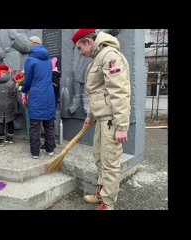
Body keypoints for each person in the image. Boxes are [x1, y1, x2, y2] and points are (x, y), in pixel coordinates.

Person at [72, 29, 131, 210]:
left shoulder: (109, 56)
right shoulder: (97, 59)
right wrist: (90, 116)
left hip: (111, 121)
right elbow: (96, 92)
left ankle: (108, 203)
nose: (80, 52)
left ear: (89, 42)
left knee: (110, 162)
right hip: (101, 119)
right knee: (100, 158)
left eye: (80, 47)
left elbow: (120, 92)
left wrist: (122, 125)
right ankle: (101, 193)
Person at [21, 36, 56, 159]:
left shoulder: (30, 60)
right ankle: (50, 149)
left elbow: (28, 80)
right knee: (49, 124)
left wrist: (23, 90)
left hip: (36, 95)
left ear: (32, 45)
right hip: (49, 94)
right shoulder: (48, 59)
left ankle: (35, 152)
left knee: (35, 126)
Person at [0, 64, 17, 146]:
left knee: (0, 121)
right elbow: (14, 92)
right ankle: (10, 138)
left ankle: (1, 139)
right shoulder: (11, 82)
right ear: (7, 71)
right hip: (9, 102)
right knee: (10, 120)